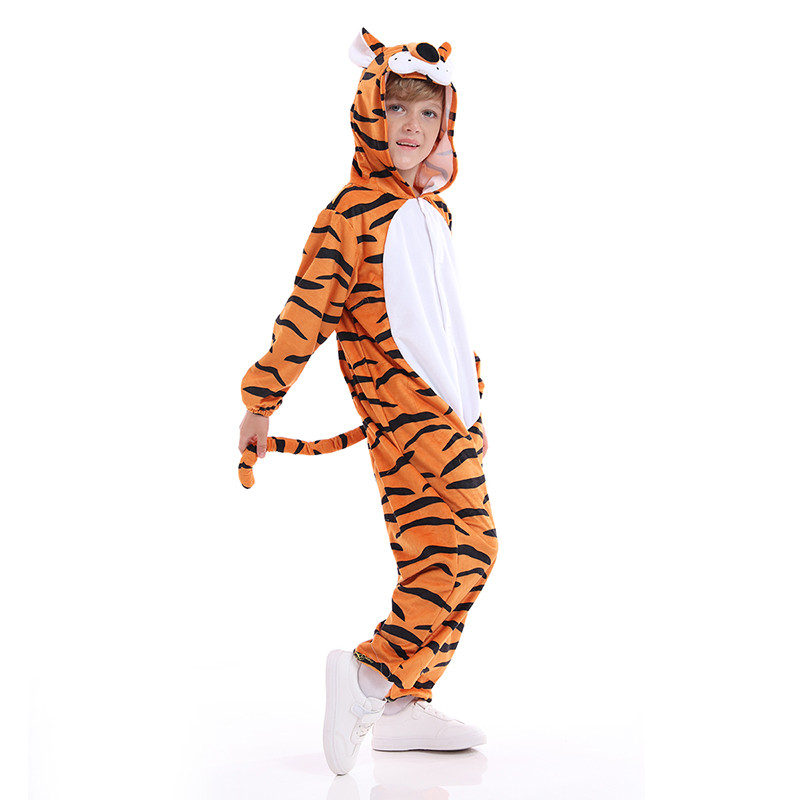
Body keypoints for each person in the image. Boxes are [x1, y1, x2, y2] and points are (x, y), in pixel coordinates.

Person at [237, 29, 499, 776]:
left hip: (449, 416)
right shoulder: (349, 214)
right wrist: (262, 401)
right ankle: (370, 674)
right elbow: (307, 312)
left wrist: (476, 410)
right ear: (367, 115)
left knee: (439, 553)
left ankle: (405, 706)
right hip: (404, 411)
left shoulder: (434, 214)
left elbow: (449, 323)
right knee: (472, 546)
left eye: (427, 112)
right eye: (396, 109)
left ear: (446, 123)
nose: (411, 127)